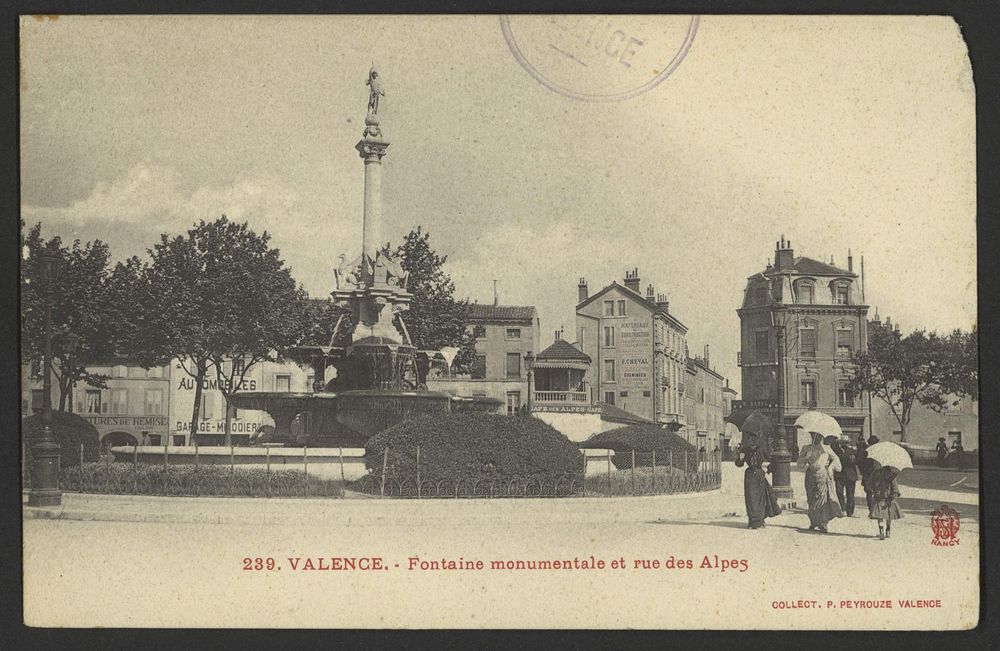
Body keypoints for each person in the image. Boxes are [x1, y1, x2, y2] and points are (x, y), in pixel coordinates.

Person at [734, 431, 781, 529]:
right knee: (751, 499)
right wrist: (740, 458)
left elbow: (773, 460)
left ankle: (760, 521)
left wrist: (769, 469)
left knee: (760, 499)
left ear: (757, 439)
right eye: (750, 438)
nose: (752, 440)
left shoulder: (761, 450)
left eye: (754, 438)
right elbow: (738, 464)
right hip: (750, 476)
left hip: (759, 476)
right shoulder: (744, 450)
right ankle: (752, 522)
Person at [797, 431, 843, 533]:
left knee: (822, 498)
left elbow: (836, 459)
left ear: (822, 437)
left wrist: (831, 467)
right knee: (811, 498)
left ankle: (823, 523)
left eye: (818, 436)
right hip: (810, 476)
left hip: (822, 475)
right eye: (813, 435)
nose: (816, 437)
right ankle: (813, 522)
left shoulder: (826, 448)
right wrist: (805, 458)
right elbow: (799, 464)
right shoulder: (806, 448)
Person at [868, 465, 903, 539]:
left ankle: (882, 532)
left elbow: (870, 485)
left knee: (880, 516)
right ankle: (887, 531)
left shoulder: (875, 473)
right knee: (888, 515)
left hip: (880, 498)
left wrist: (873, 490)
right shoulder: (892, 475)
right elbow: (895, 487)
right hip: (888, 498)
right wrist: (894, 493)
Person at [830, 438, 859, 517]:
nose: (844, 444)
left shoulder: (852, 451)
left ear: (848, 443)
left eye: (846, 442)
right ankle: (843, 508)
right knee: (839, 492)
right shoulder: (836, 451)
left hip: (850, 476)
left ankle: (850, 511)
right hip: (840, 475)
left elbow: (858, 461)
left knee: (850, 494)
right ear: (840, 443)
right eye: (842, 442)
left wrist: (854, 459)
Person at [858, 435, 879, 514]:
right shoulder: (880, 451)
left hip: (868, 475)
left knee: (869, 493)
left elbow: (860, 463)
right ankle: (874, 511)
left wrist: (863, 473)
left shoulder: (865, 451)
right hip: (876, 475)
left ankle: (872, 511)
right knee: (876, 493)